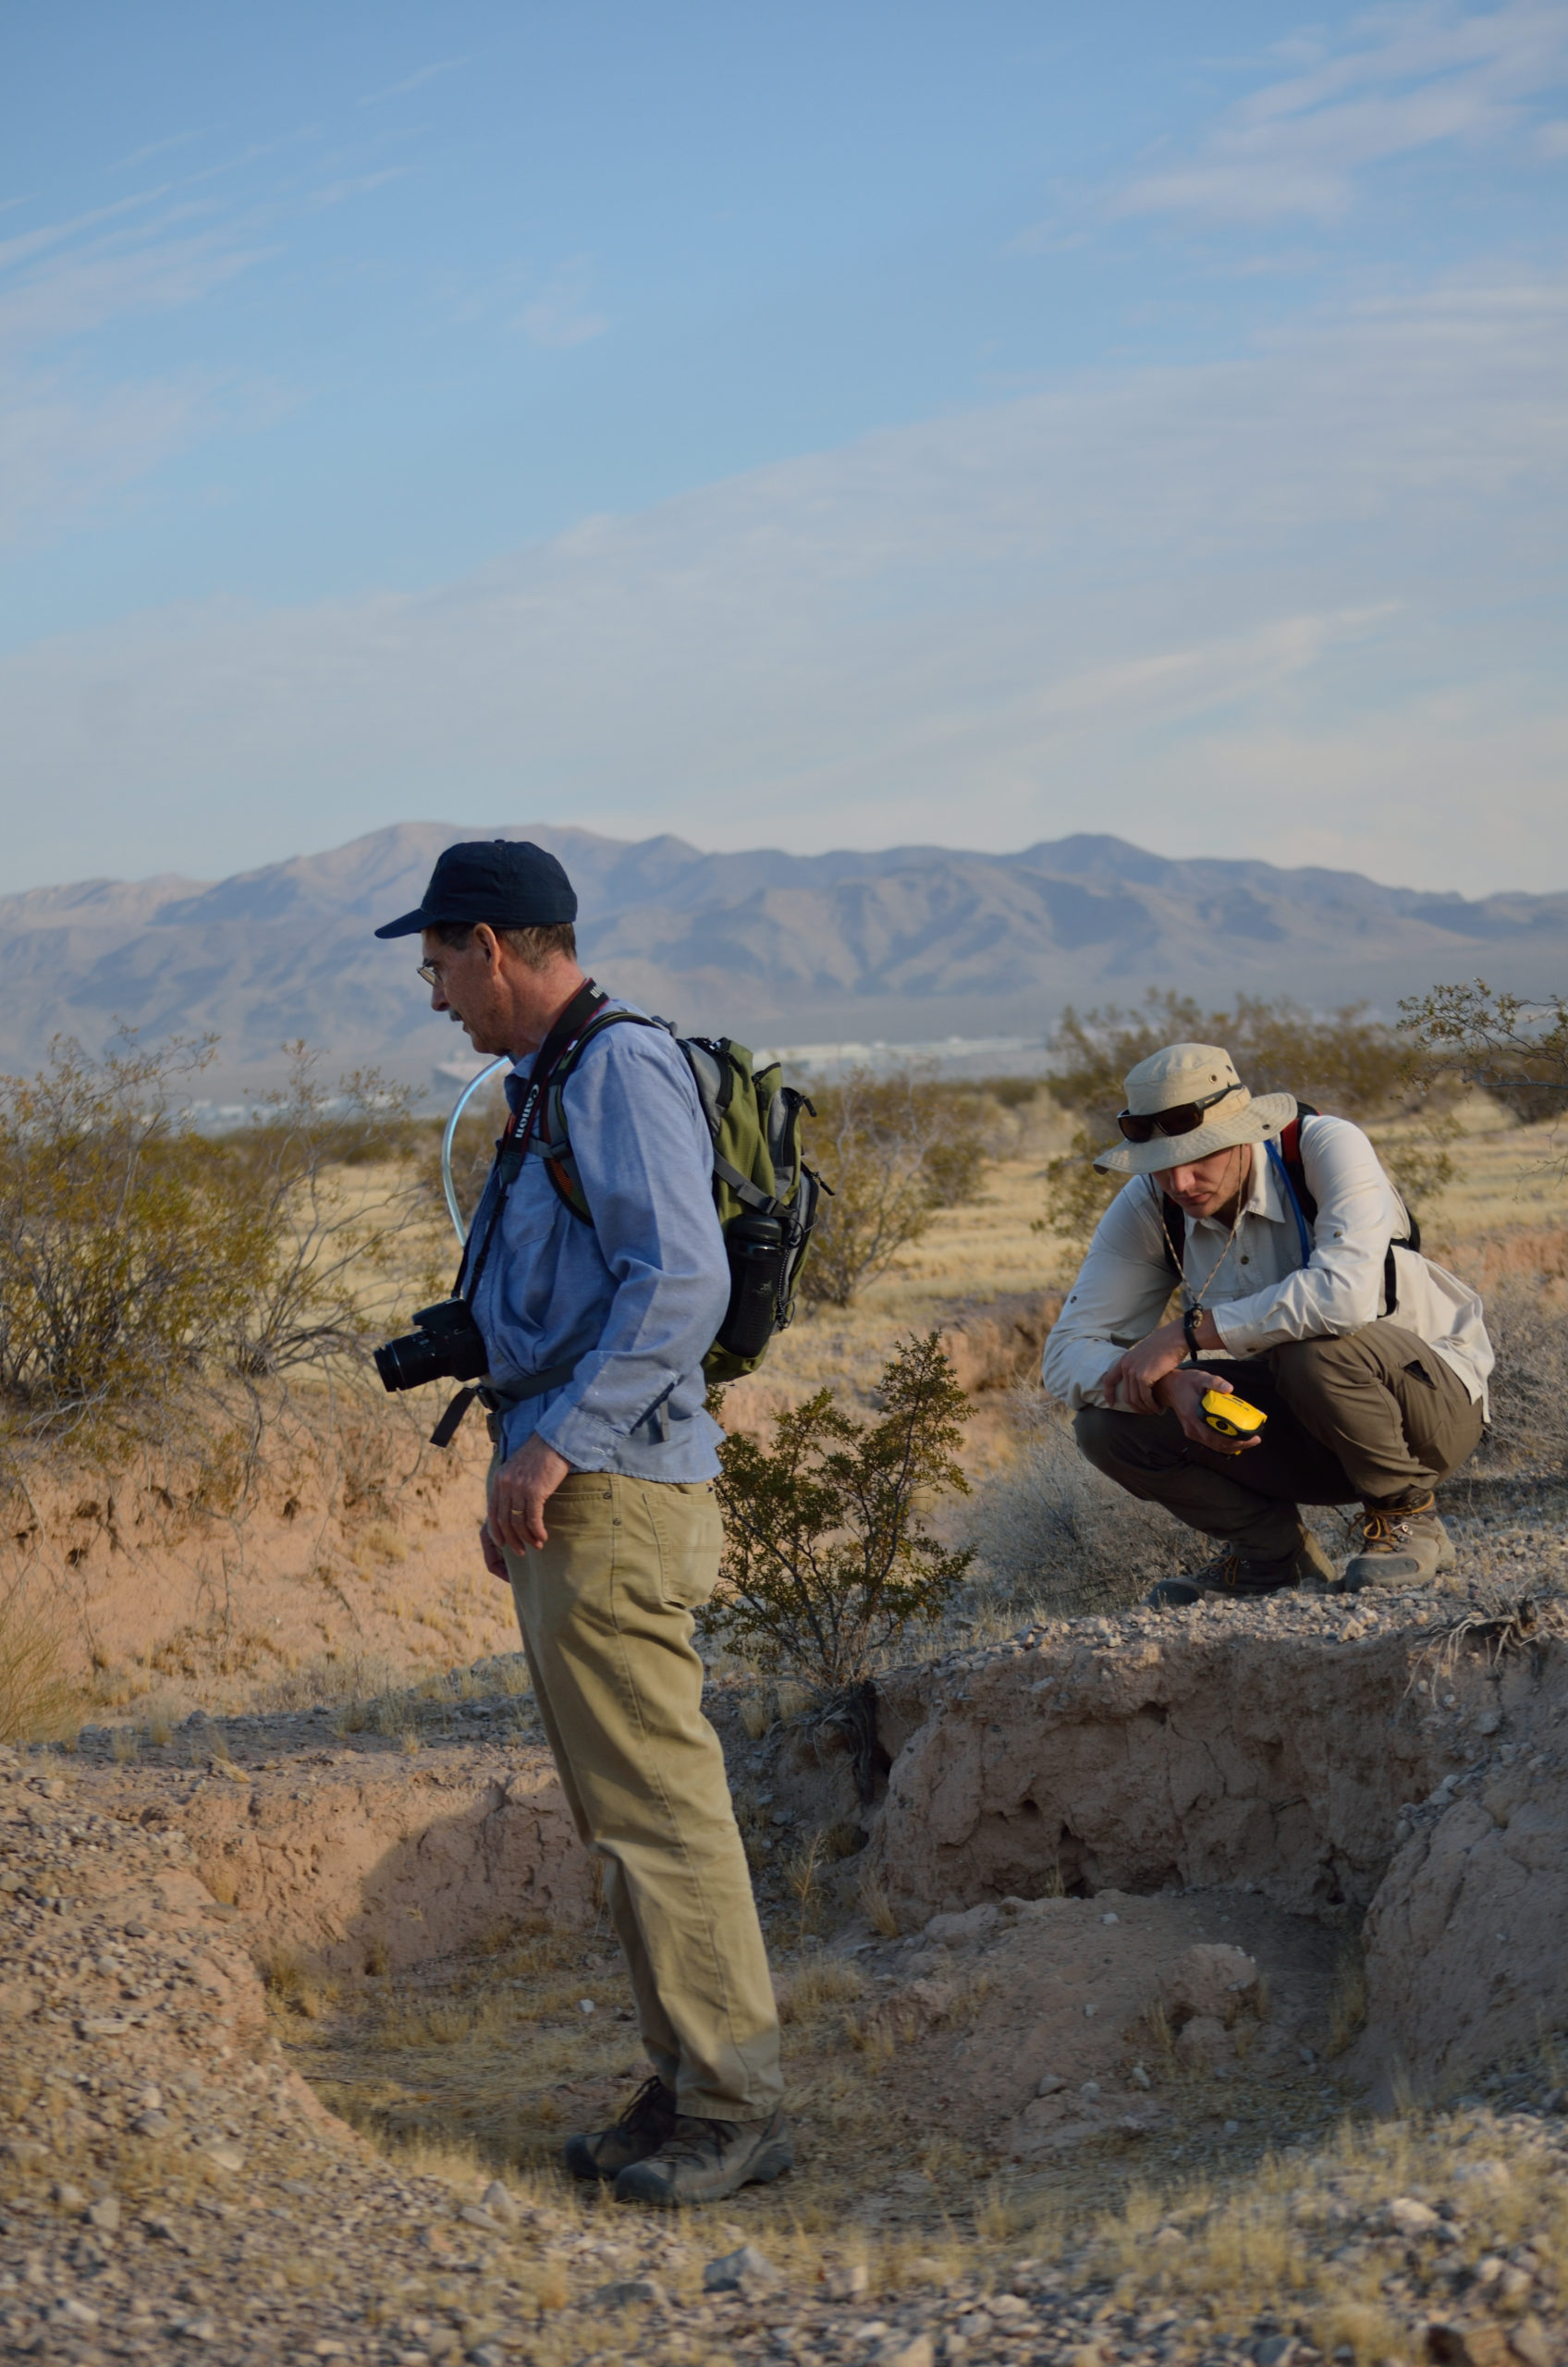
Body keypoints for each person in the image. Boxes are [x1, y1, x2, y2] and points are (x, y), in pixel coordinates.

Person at [375, 839, 790, 2205]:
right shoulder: (555, 1079)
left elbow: (677, 1282)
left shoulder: (614, 1068)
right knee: (621, 1816)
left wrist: (553, 1447)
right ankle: (683, 2082)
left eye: (439, 962)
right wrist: (519, 1441)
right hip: (579, 1483)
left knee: (660, 1810)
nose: (436, 991)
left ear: (491, 946)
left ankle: (733, 2104)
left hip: (613, 1485)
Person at [1040, 1041, 1492, 1604]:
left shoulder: (1323, 1147)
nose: (1180, 1183)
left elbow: (1344, 1297)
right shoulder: (1149, 1204)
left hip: (1426, 1414)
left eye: (1199, 1156)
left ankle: (1407, 1519)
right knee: (1106, 1426)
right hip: (1305, 1424)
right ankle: (1274, 1557)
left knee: (1313, 1348)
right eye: (1160, 1165)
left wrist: (1184, 1334)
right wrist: (1167, 1385)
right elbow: (1065, 1354)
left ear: (1242, 1132)